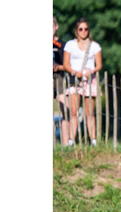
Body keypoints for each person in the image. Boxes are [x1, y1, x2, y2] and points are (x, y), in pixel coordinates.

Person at [63, 18, 102, 147]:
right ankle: (71, 140)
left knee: (90, 112)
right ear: (76, 31)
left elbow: (99, 65)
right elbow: (66, 64)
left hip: (90, 80)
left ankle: (94, 140)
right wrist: (75, 72)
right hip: (76, 80)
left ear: (88, 31)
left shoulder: (95, 46)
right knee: (73, 112)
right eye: (81, 29)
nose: (83, 31)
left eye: (86, 29)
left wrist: (91, 71)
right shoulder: (70, 44)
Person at [53, 17, 69, 146]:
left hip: (59, 77)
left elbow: (68, 65)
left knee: (65, 109)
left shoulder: (63, 45)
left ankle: (65, 143)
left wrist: (57, 66)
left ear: (56, 27)